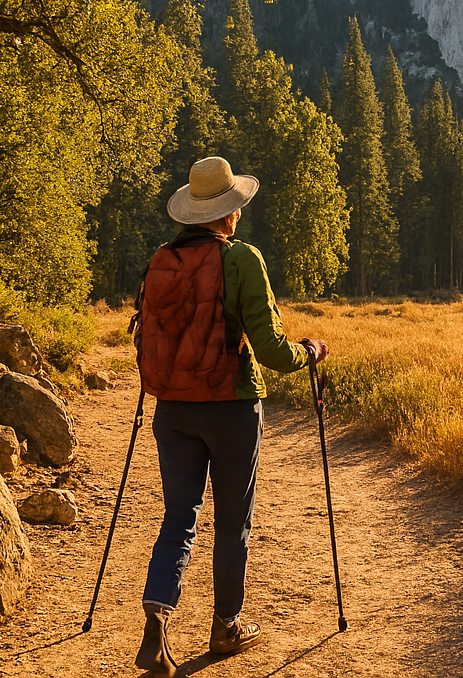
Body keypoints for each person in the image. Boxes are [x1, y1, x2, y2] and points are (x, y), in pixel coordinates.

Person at [133, 155, 327, 676]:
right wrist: (306, 352)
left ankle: (156, 621)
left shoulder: (161, 258)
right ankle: (225, 625)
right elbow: (269, 349)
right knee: (231, 522)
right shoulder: (241, 259)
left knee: (179, 515)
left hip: (172, 410)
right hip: (231, 408)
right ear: (228, 213)